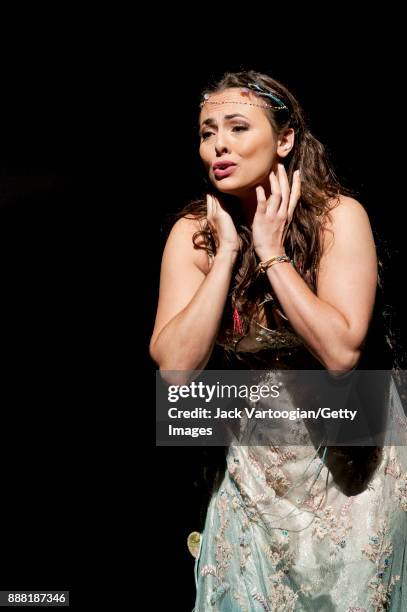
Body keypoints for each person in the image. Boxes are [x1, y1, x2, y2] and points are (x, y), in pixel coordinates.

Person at [150, 70, 407, 611]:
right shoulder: (194, 234)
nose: (218, 144)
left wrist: (271, 252)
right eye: (206, 132)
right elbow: (174, 369)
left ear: (285, 140)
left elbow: (341, 353)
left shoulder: (338, 217)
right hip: (255, 469)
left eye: (238, 127)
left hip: (348, 463)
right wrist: (224, 257)